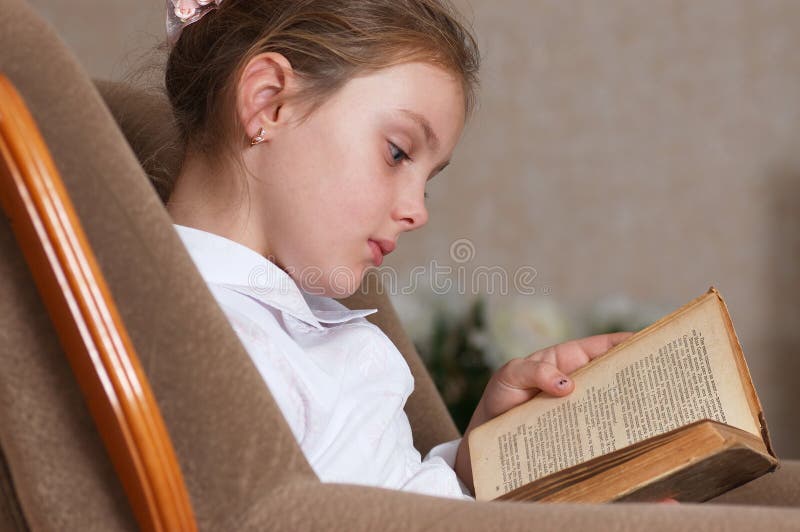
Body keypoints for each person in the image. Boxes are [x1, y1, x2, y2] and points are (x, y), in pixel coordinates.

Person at [163, 0, 633, 499]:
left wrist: (478, 464)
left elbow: (382, 499)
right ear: (269, 103)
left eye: (426, 183)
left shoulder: (281, 325)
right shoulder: (213, 348)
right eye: (397, 153)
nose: (418, 212)